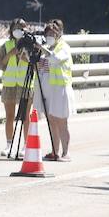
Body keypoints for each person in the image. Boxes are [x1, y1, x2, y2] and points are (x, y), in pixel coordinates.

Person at [32, 19, 75, 161]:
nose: (49, 36)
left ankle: (66, 152)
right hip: (49, 90)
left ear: (59, 34)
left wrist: (42, 48)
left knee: (62, 121)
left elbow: (55, 59)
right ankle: (55, 151)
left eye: (52, 33)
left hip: (61, 90)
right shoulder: (45, 49)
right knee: (51, 121)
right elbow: (40, 67)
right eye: (48, 33)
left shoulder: (64, 48)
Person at [0, 18, 31, 156]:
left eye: (21, 28)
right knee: (10, 116)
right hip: (9, 84)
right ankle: (9, 144)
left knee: (25, 116)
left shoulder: (29, 45)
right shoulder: (6, 45)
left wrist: (26, 57)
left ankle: (26, 146)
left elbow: (36, 63)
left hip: (25, 84)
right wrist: (9, 55)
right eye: (16, 28)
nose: (18, 30)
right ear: (11, 30)